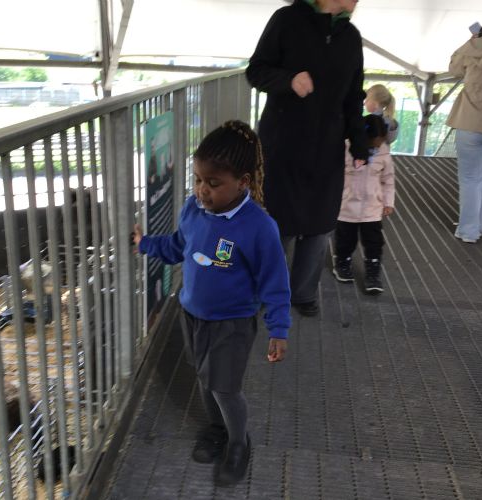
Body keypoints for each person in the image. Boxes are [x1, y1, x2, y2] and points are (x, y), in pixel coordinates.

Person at [132, 120, 291, 486]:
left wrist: (279, 329)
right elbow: (178, 246)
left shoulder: (259, 227)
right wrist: (145, 245)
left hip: (232, 323)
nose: (202, 190)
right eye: (198, 179)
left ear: (243, 182)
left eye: (213, 183)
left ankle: (238, 441)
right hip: (192, 315)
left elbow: (276, 284)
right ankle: (217, 429)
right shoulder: (193, 209)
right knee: (205, 379)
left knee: (225, 387)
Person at [246, 0, 369, 317]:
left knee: (320, 224)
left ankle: (302, 293)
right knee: (278, 223)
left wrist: (359, 144)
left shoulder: (350, 37)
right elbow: (256, 71)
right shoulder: (287, 20)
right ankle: (265, 290)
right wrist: (288, 80)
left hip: (326, 147)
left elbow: (354, 95)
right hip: (282, 144)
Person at [333, 114, 395, 294]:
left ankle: (373, 272)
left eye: (381, 142)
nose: (378, 146)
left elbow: (388, 180)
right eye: (374, 142)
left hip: (372, 208)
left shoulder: (384, 153)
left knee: (374, 242)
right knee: (345, 239)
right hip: (347, 206)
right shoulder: (345, 148)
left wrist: (388, 202)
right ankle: (342, 262)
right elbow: (334, 176)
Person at [446, 21, 482, 243]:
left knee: (471, 179)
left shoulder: (475, 45)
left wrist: (473, 41)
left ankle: (468, 231)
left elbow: (453, 69)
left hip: (471, 121)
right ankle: (479, 227)